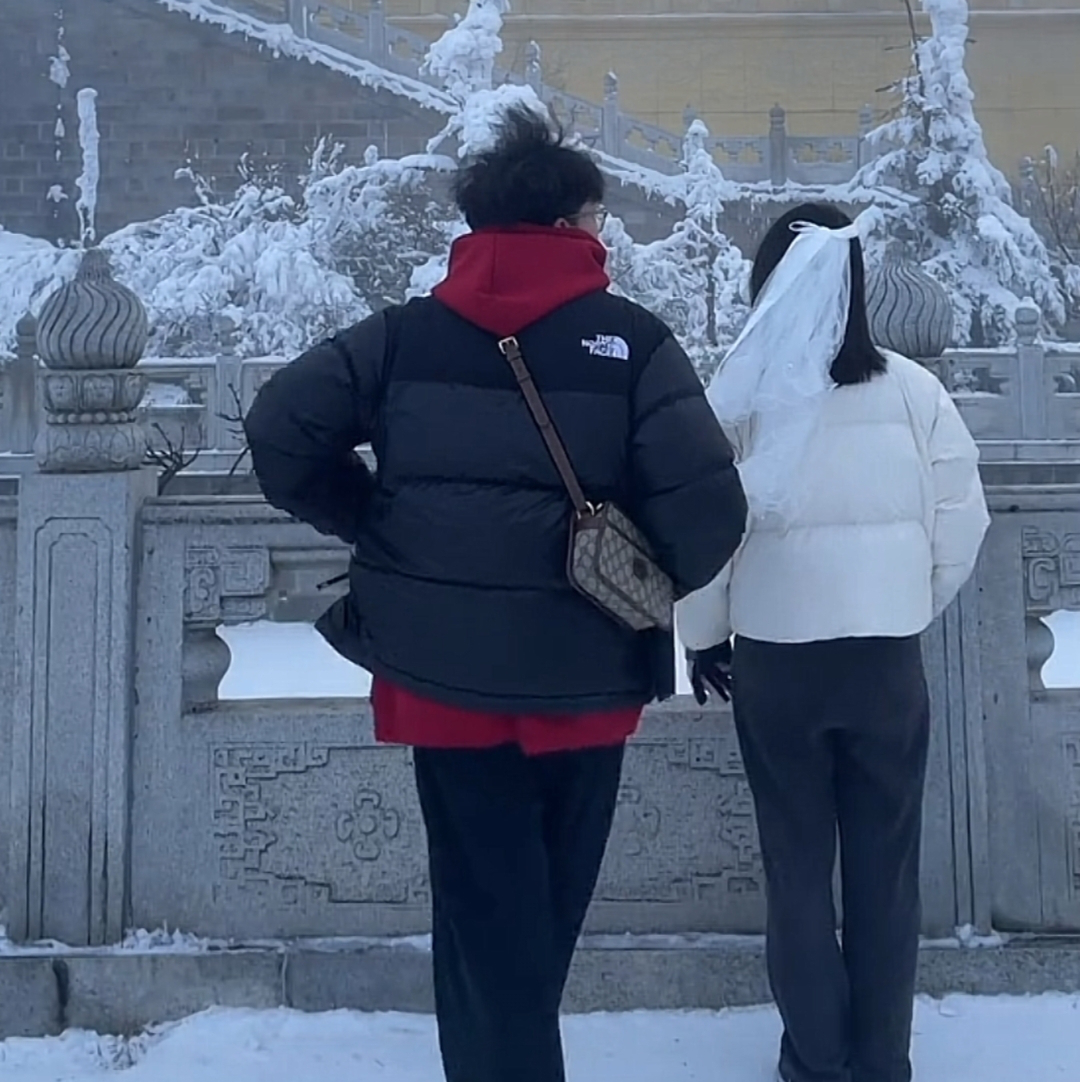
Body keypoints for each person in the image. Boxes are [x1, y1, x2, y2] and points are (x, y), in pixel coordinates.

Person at [244, 105, 747, 1082]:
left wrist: (379, 522)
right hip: (586, 676)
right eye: (598, 215)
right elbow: (710, 513)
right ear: (570, 224)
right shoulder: (633, 344)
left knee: (484, 916)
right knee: (537, 918)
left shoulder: (399, 339)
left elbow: (277, 430)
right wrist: (638, 575)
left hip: (442, 681)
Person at [678, 201, 989, 1082]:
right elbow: (964, 523)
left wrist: (704, 637)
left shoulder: (742, 402)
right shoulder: (914, 392)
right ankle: (883, 1059)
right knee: (887, 873)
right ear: (856, 285)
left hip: (777, 664)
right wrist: (901, 605)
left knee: (798, 871)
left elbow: (704, 533)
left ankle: (816, 1059)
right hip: (885, 666)